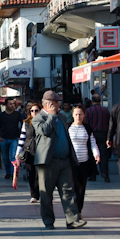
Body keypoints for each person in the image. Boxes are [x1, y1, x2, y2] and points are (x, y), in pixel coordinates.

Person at [33, 90, 85, 230]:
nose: (59, 105)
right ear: (48, 104)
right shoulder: (38, 118)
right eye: (56, 103)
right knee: (46, 194)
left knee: (68, 191)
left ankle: (72, 220)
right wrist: (51, 115)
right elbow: (44, 131)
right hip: (48, 162)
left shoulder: (61, 116)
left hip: (64, 160)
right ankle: (48, 221)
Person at [67, 106, 99, 218]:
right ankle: (73, 209)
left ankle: (79, 210)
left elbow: (93, 142)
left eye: (80, 114)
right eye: (76, 114)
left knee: (81, 188)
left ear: (84, 115)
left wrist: (96, 154)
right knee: (74, 186)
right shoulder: (68, 128)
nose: (78, 116)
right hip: (72, 163)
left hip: (84, 162)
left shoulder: (87, 128)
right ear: (72, 115)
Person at [16, 103, 41, 203]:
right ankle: (34, 195)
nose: (34, 112)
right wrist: (18, 152)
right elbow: (22, 138)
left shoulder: (43, 122)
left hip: (41, 151)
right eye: (32, 111)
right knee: (31, 174)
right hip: (29, 151)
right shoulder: (26, 123)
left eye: (36, 110)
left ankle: (40, 193)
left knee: (40, 174)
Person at [0, 98, 24, 183]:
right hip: (4, 139)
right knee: (5, 158)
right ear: (6, 105)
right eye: (10, 104)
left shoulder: (17, 114)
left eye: (13, 104)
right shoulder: (2, 115)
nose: (12, 105)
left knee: (13, 157)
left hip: (14, 139)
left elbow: (23, 124)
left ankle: (13, 174)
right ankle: (8, 172)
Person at [85, 94, 111, 183]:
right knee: (104, 155)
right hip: (103, 133)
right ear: (100, 101)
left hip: (92, 133)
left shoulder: (88, 111)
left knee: (92, 154)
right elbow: (109, 123)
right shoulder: (106, 110)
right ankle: (105, 173)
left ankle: (93, 175)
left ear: (92, 101)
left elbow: (86, 124)